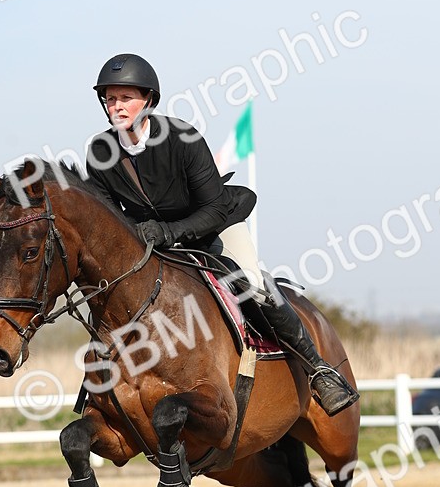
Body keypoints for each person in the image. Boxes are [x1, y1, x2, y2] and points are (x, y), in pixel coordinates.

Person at [83, 53, 359, 417]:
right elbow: (109, 220)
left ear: (148, 100)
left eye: (126, 98)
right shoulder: (99, 152)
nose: (117, 106)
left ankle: (318, 369)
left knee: (252, 284)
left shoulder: (182, 138)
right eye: (111, 98)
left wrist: (168, 231)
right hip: (153, 244)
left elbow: (212, 209)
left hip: (213, 226)